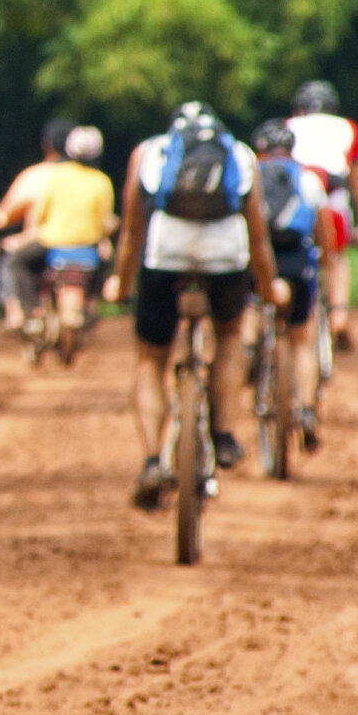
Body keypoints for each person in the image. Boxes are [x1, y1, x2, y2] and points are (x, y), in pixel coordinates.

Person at [110, 102, 283, 512]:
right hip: (225, 258)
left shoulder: (149, 151)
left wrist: (119, 280)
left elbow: (133, 227)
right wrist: (268, 282)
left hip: (164, 256)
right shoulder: (240, 152)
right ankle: (223, 435)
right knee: (228, 336)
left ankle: (152, 459)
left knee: (151, 360)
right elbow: (257, 232)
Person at [0, 118, 117, 356]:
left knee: (16, 264)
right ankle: (92, 303)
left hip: (52, 242)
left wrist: (25, 235)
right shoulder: (102, 181)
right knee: (103, 265)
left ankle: (31, 312)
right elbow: (105, 221)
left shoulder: (53, 176)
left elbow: (38, 213)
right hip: (87, 245)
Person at [251, 117, 327, 455]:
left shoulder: (250, 175)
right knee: (302, 339)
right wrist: (325, 260)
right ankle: (307, 409)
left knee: (247, 316)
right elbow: (323, 231)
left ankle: (249, 352)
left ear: (260, 149)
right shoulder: (308, 178)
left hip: (260, 257)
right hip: (297, 259)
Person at [284, 81, 358, 348]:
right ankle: (339, 314)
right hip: (334, 204)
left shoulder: (287, 127)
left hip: (297, 205)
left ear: (298, 109)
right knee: (336, 258)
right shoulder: (348, 128)